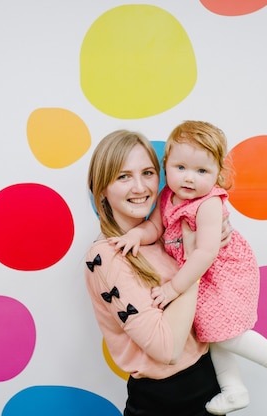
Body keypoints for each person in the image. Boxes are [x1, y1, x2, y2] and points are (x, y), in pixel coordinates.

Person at [109, 121, 267, 415]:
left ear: (217, 175)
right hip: (199, 273)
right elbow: (154, 226)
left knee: (223, 332)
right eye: (181, 167)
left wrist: (173, 287)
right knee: (210, 331)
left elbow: (206, 252)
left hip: (222, 272)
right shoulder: (167, 197)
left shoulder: (208, 204)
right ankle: (234, 389)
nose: (189, 179)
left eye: (202, 172)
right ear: (166, 165)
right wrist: (136, 235)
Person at [85, 129, 227, 416]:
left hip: (208, 385)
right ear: (101, 189)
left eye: (147, 173)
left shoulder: (166, 233)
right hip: (163, 403)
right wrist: (194, 263)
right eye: (123, 176)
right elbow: (167, 350)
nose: (140, 187)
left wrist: (211, 241)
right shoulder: (105, 257)